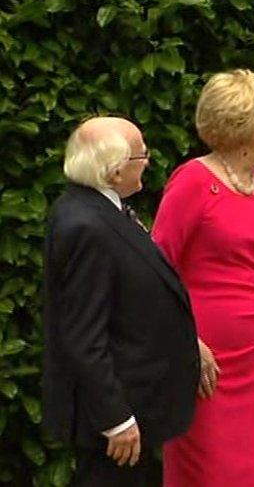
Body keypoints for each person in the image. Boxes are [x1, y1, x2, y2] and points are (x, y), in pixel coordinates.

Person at [152, 70, 254, 486]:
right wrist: (186, 344)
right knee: (210, 472)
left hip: (252, 358)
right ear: (241, 124)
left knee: (247, 471)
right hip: (205, 361)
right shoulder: (193, 180)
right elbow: (156, 270)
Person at [42, 116, 199, 486]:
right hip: (117, 419)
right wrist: (116, 419)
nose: (147, 161)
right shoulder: (87, 225)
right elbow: (82, 334)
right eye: (139, 156)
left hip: (138, 404)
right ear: (113, 171)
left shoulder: (99, 208)